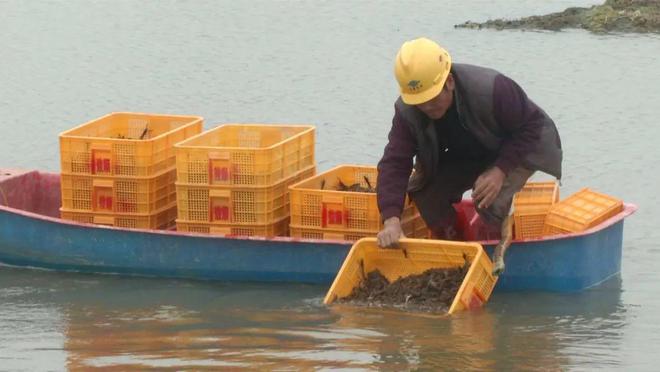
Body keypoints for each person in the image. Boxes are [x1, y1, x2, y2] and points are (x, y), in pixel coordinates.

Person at [376, 37, 562, 274]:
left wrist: (500, 170)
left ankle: (491, 260)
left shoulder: (494, 89)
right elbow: (395, 162)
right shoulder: (407, 112)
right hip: (464, 153)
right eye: (420, 103)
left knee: (488, 199)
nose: (428, 108)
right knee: (425, 192)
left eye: (433, 98)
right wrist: (391, 219)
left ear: (450, 81)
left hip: (512, 149)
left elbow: (532, 126)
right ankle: (457, 255)